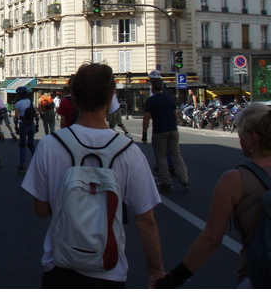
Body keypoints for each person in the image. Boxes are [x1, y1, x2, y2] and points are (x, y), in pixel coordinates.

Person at [21, 63, 165, 289]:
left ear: (74, 97)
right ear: (111, 97)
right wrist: (156, 271)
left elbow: (40, 210)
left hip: (59, 266)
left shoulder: (49, 145)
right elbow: (146, 220)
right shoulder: (129, 151)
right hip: (109, 269)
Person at [156, 102, 271, 289]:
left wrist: (172, 280)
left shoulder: (235, 180)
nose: (238, 136)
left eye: (240, 131)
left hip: (257, 278)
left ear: (254, 138)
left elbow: (211, 240)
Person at [142, 77, 189, 192]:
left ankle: (166, 182)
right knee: (176, 154)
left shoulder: (150, 101)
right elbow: (175, 113)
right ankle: (184, 179)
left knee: (161, 156)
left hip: (160, 130)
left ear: (153, 88)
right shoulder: (169, 98)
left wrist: (144, 134)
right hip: (172, 128)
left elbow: (146, 118)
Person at [14, 86, 40, 174]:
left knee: (22, 145)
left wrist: (16, 127)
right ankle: (38, 163)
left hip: (23, 124)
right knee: (31, 144)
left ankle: (22, 165)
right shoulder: (30, 102)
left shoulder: (18, 104)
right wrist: (37, 125)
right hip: (31, 124)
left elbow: (16, 118)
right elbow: (37, 116)